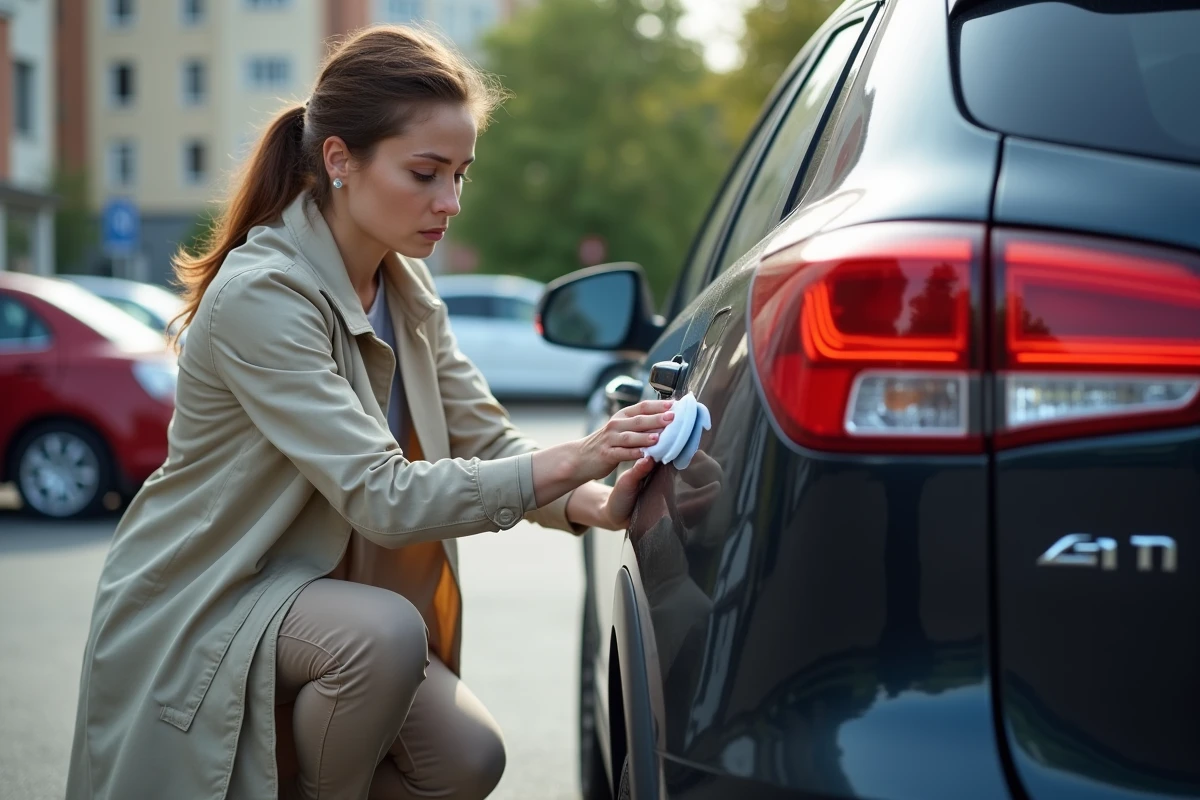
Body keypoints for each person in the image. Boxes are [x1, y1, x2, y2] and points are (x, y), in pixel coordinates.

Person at [65, 25, 673, 800]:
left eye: (460, 175)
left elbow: (487, 439)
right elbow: (382, 495)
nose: (449, 202)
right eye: (425, 173)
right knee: (385, 635)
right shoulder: (264, 294)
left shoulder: (406, 290)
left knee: (466, 758)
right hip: (213, 595)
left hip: (323, 599)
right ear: (340, 160)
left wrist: (600, 500)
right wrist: (579, 456)